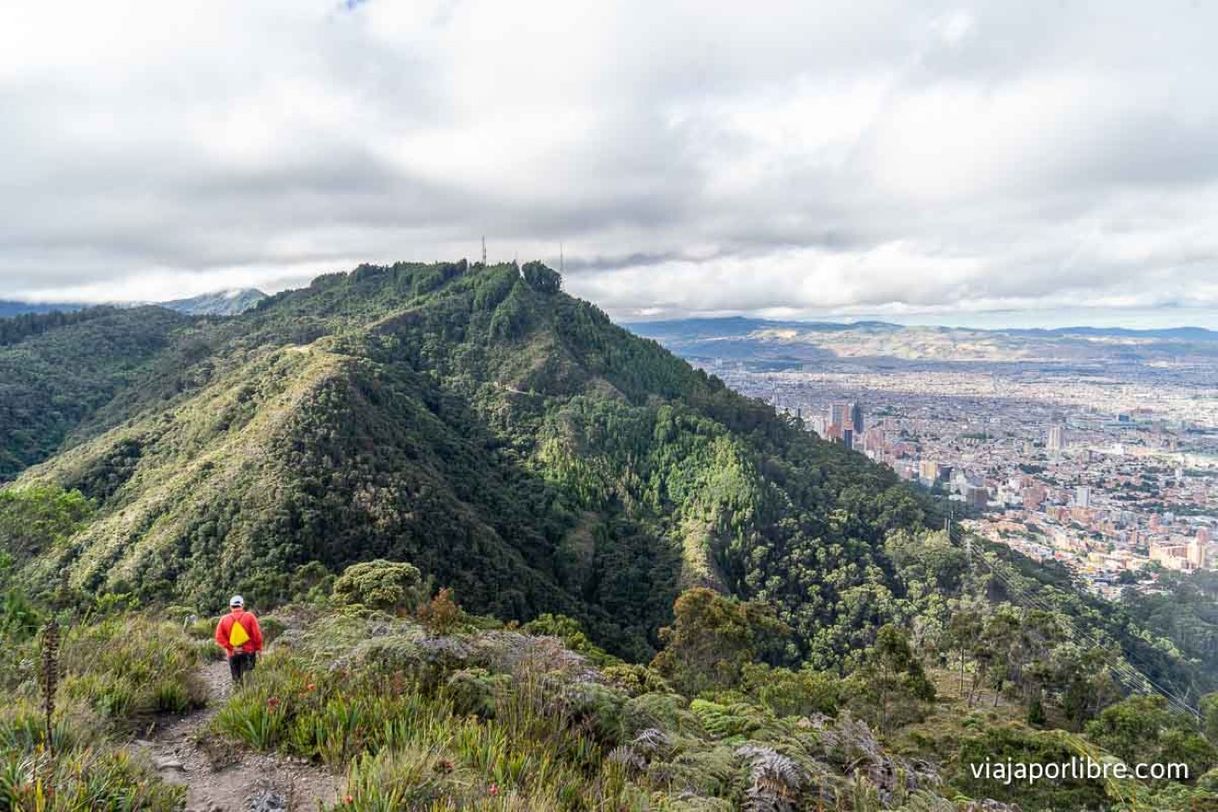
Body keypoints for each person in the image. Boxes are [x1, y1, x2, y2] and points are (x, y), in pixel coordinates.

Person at [214, 595, 263, 685]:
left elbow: (218, 637)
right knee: (249, 679)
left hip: (233, 654)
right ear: (242, 605)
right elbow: (257, 635)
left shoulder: (224, 619)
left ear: (230, 606)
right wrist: (259, 649)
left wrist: (231, 648)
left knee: (236, 680)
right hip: (249, 652)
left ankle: (238, 695)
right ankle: (249, 697)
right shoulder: (250, 616)